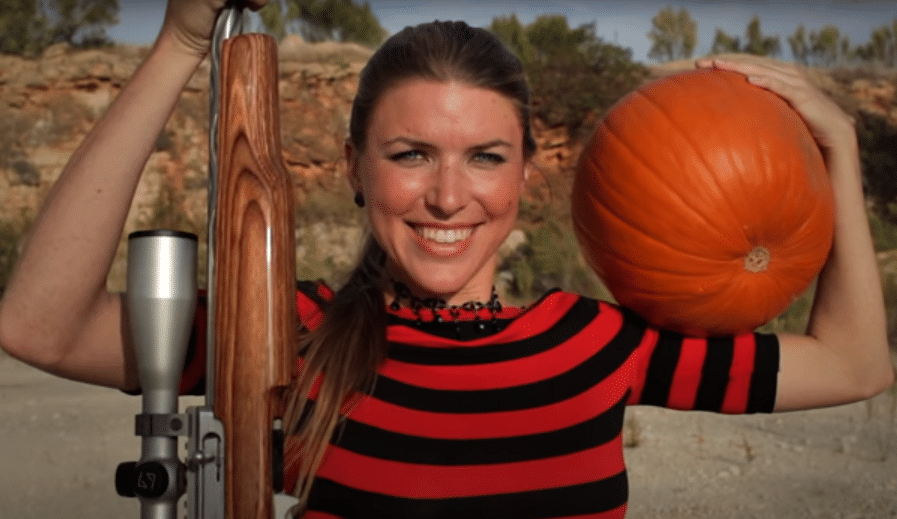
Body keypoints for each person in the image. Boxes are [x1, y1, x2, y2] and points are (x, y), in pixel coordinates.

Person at [0, 0, 892, 517]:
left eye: (484, 157)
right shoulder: (286, 332)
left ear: (524, 176)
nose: (447, 196)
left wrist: (838, 149)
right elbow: (38, 326)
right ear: (353, 166)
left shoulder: (593, 341)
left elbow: (855, 364)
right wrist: (182, 48)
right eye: (411, 153)